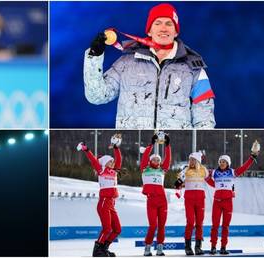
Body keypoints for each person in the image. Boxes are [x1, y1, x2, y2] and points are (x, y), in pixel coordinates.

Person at [83, 3, 215, 129]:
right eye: (157, 23)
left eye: (169, 24)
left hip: (172, 143)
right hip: (134, 142)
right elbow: (97, 96)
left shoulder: (193, 67)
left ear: (176, 32)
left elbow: (204, 117)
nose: (163, 28)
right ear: (149, 31)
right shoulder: (127, 62)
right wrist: (94, 55)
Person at [205, 142, 260, 255]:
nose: (221, 163)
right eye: (220, 162)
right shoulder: (214, 172)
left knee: (225, 226)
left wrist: (252, 157)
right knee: (215, 226)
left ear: (228, 163)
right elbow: (212, 182)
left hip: (228, 202)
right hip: (217, 202)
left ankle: (223, 247)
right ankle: (213, 247)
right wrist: (205, 177)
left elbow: (244, 167)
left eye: (224, 162)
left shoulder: (232, 172)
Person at [77, 134, 123, 257]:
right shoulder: (101, 170)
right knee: (107, 228)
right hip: (103, 202)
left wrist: (115, 147)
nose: (113, 163)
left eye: (113, 162)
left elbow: (119, 160)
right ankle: (97, 250)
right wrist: (86, 149)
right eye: (110, 161)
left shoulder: (114, 172)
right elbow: (93, 159)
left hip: (111, 204)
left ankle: (104, 248)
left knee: (117, 229)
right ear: (104, 163)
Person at [140, 133, 171, 256]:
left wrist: (167, 145)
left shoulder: (162, 170)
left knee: (162, 226)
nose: (157, 161)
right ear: (150, 160)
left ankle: (160, 248)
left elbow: (168, 158)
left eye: (158, 159)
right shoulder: (145, 168)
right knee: (153, 225)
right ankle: (147, 247)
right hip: (151, 201)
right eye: (154, 159)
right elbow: (144, 156)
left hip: (162, 201)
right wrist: (152, 144)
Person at [174, 152, 209, 255]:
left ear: (198, 161)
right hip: (189, 199)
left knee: (199, 223)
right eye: (190, 160)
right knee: (190, 222)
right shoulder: (185, 170)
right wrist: (178, 184)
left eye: (193, 160)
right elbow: (178, 184)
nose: (191, 162)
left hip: (200, 198)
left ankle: (198, 247)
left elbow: (210, 181)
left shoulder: (204, 170)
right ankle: (187, 247)